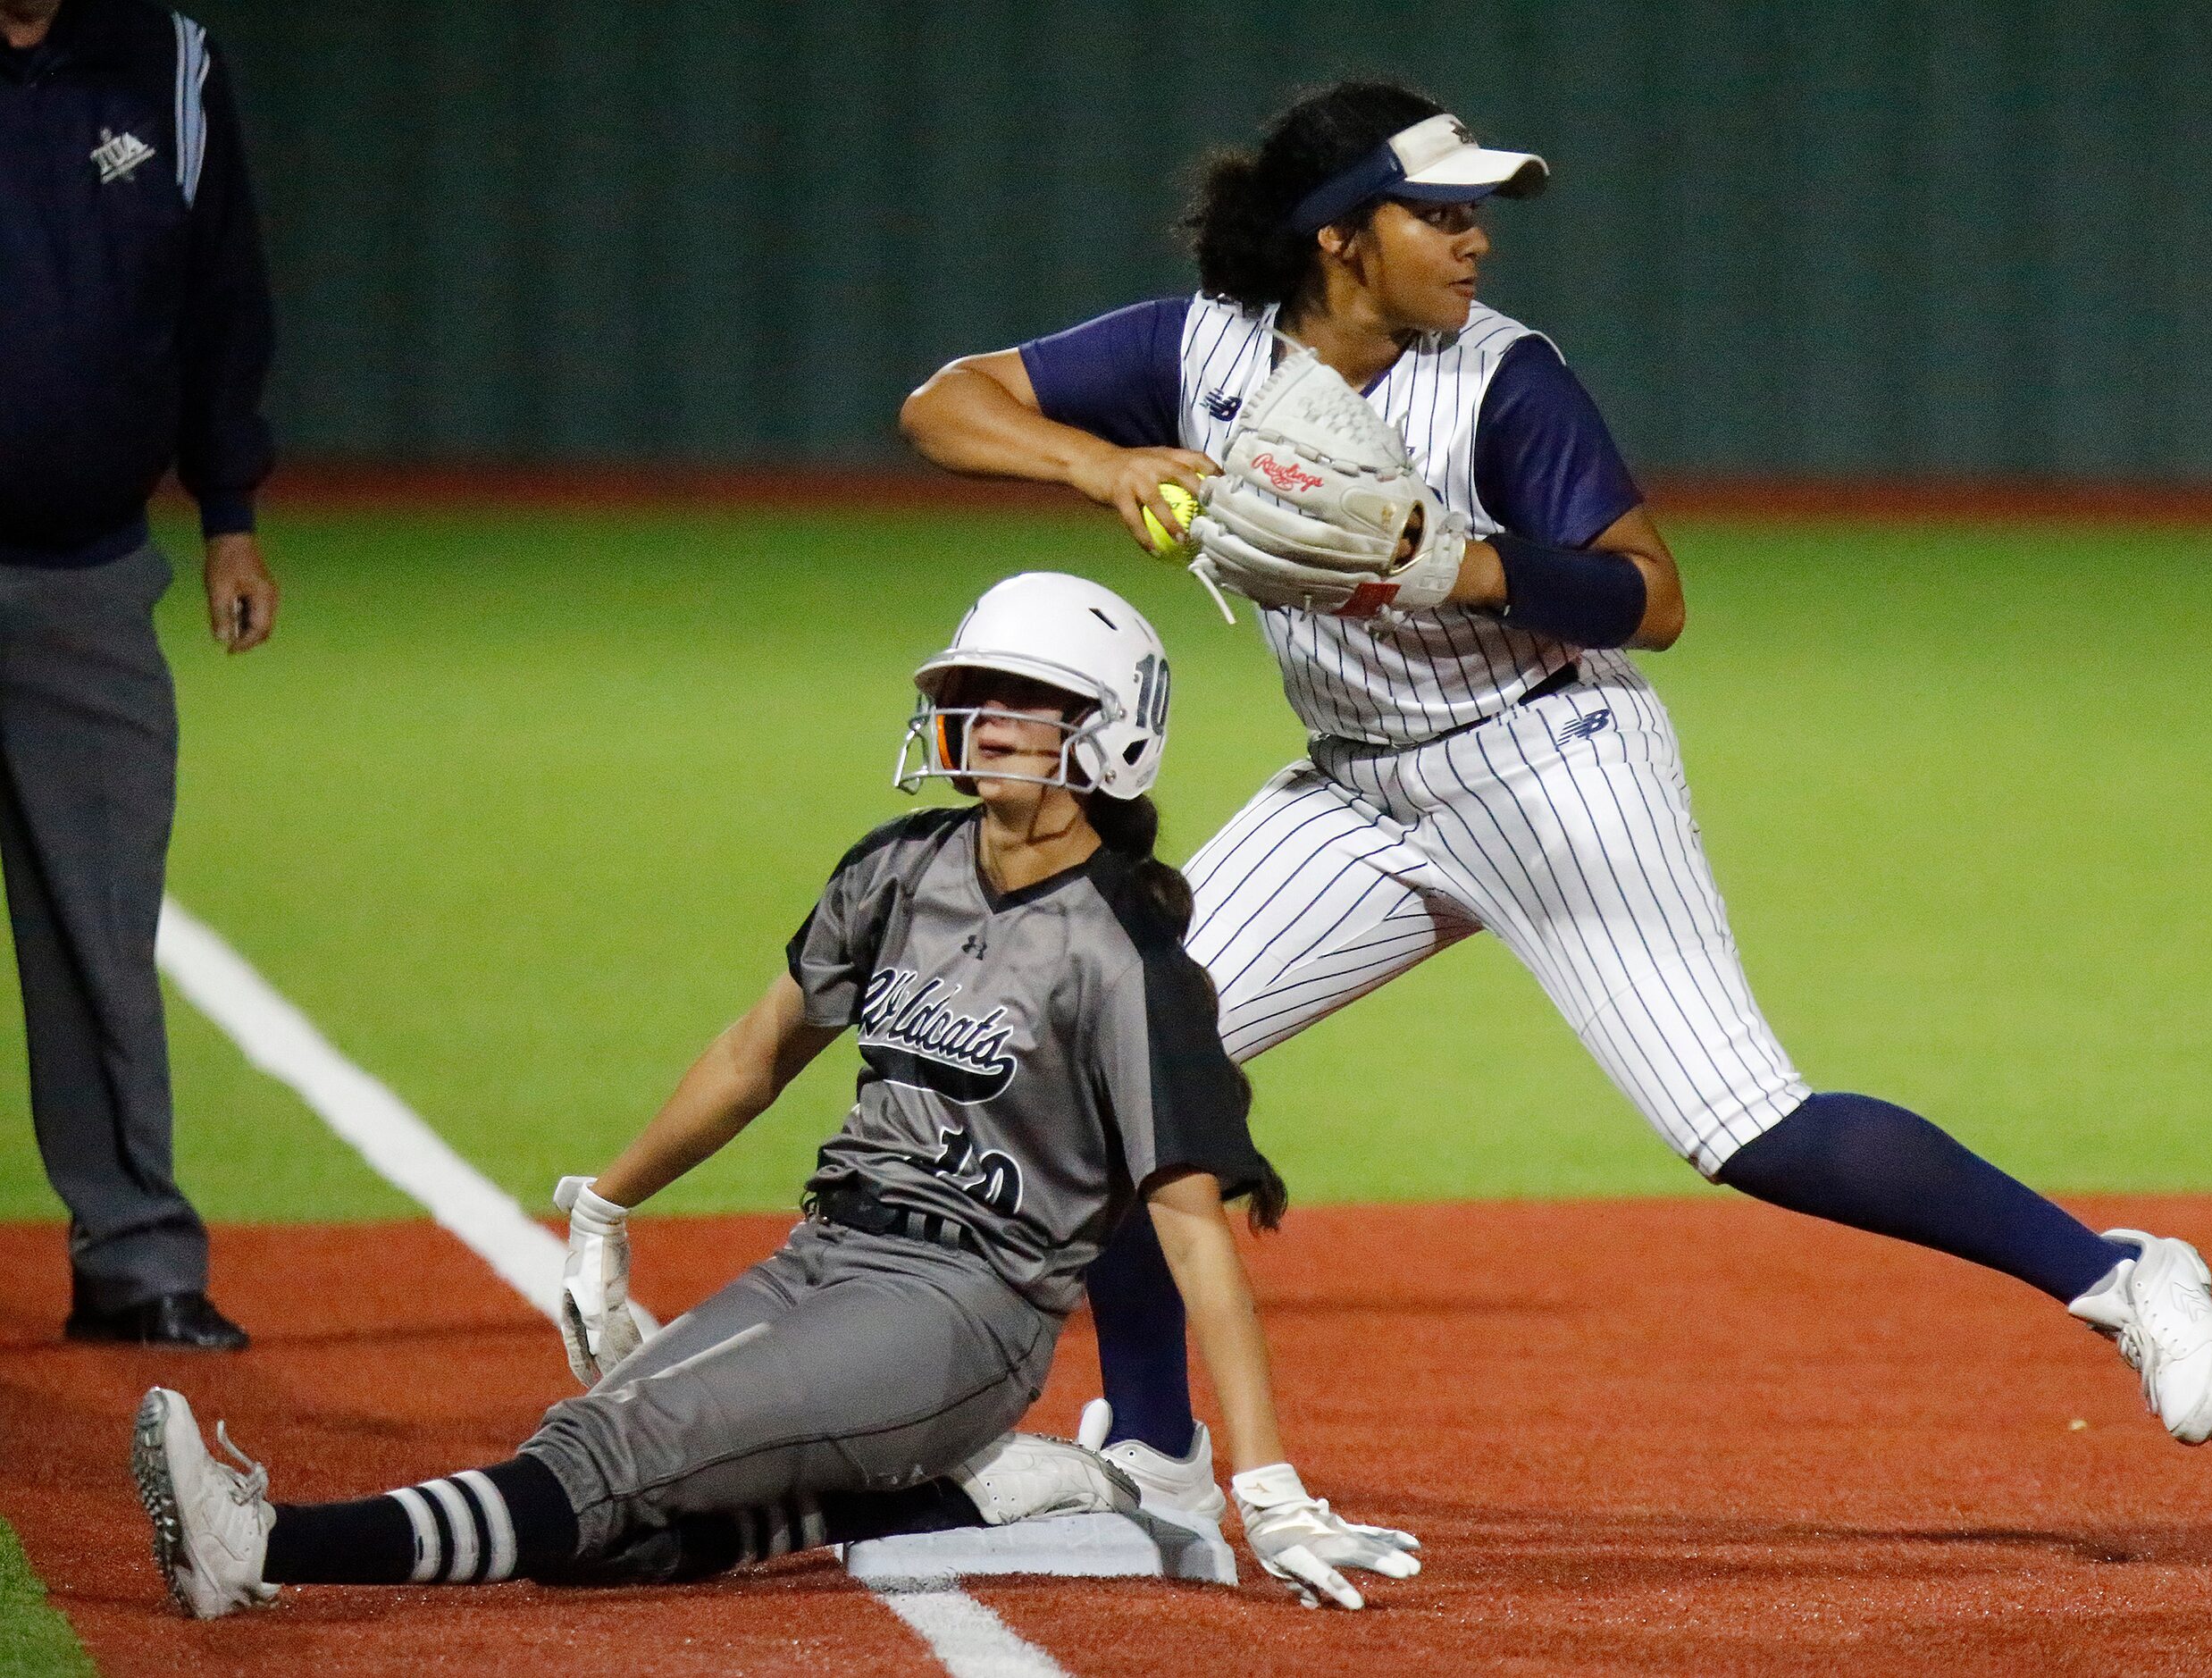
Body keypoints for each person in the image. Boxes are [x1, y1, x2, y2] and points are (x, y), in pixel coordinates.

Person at [897, 81, 2212, 1530]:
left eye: (1478, 211)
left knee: (1743, 1125)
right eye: (1439, 212)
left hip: (1552, 757)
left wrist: (1469, 570)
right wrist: (1103, 464)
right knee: (1108, 1068)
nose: (1474, 241)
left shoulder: (1498, 378)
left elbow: (1652, 598)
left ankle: (2117, 1274)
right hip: (1353, 787)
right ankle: (1157, 1450)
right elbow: (945, 404)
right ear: (1338, 238)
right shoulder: (1197, 347)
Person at [132, 573, 1422, 1620]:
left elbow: (1194, 1228)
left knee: (607, 1457)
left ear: (1111, 732)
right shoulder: (900, 868)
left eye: (1020, 700)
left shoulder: (1123, 951)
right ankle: (992, 1491)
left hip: (963, 1311)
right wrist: (608, 1205)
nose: (977, 719)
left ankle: (262, 1540)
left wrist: (1266, 1485)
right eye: (969, 693)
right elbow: (756, 1055)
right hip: (828, 1252)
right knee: (607, 1523)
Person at [1, 0, 279, 1349]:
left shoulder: (166, 63)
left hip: (87, 573)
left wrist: (229, 508)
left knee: (102, 930)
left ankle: (131, 1256)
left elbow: (224, 295)